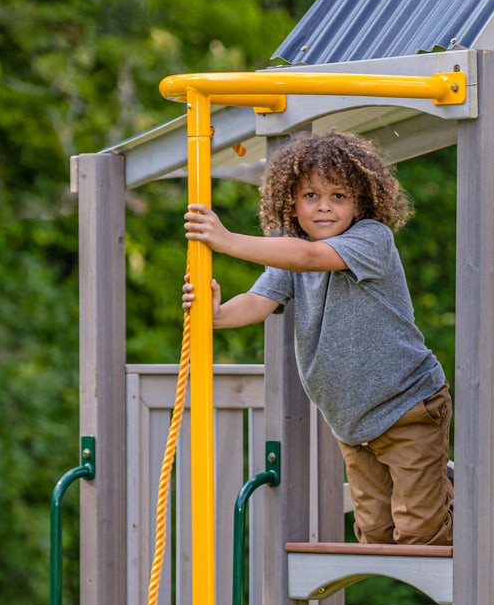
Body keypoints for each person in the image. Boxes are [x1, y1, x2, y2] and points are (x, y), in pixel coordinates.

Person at [182, 130, 452, 545]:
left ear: (361, 202)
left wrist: (228, 241)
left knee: (420, 533)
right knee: (376, 533)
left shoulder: (371, 239)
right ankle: (440, 487)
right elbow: (259, 301)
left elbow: (311, 260)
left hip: (407, 404)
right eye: (310, 195)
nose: (324, 206)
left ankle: (457, 510)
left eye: (338, 196)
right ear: (291, 201)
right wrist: (215, 315)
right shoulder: (292, 250)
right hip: (353, 422)